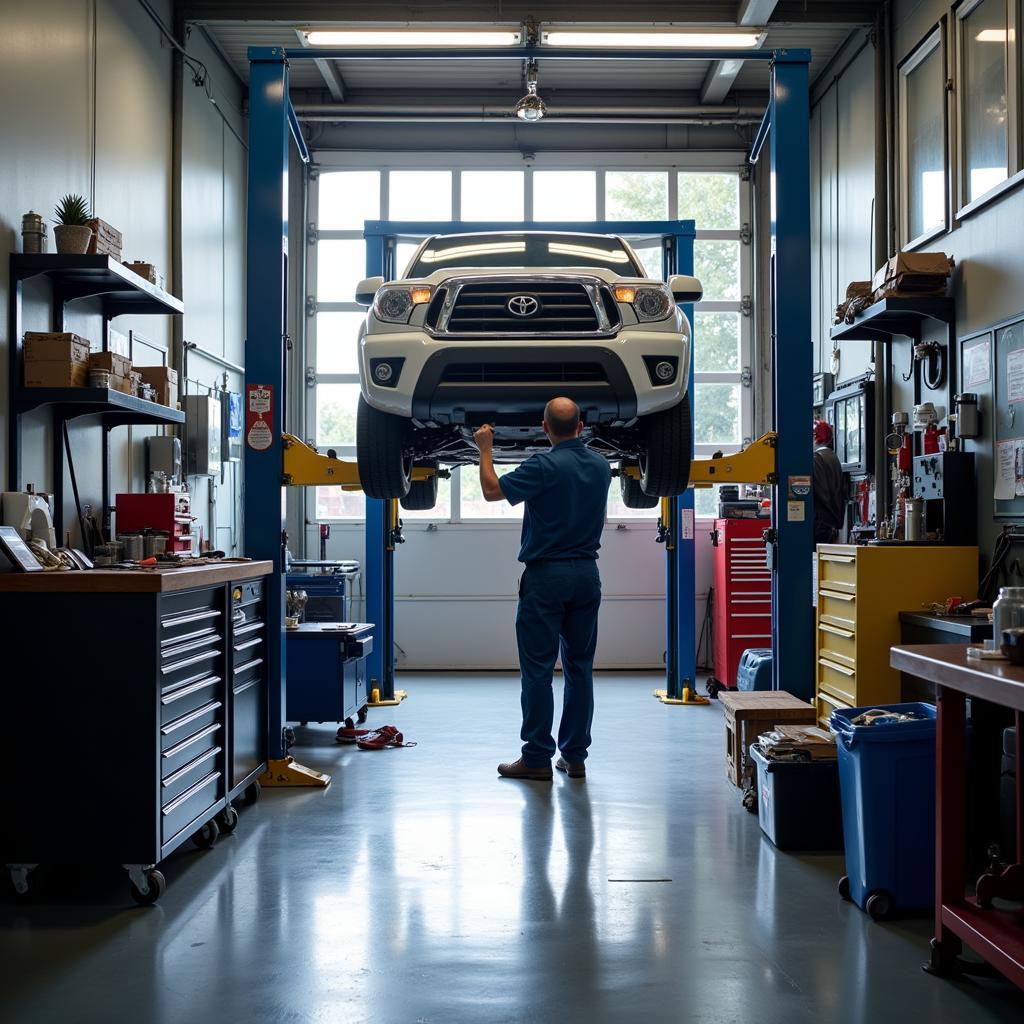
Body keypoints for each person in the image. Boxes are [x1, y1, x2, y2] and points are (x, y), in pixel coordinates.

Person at [473, 397, 612, 782]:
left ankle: (536, 758)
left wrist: (486, 449)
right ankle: (575, 756)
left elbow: (490, 490)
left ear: (545, 428)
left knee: (537, 671)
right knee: (579, 669)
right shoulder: (602, 467)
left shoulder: (542, 466)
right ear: (581, 426)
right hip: (587, 574)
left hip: (546, 576)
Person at [812, 419, 845, 544]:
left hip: (820, 523)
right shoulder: (832, 457)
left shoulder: (817, 458)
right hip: (830, 524)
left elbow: (821, 492)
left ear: (815, 437)